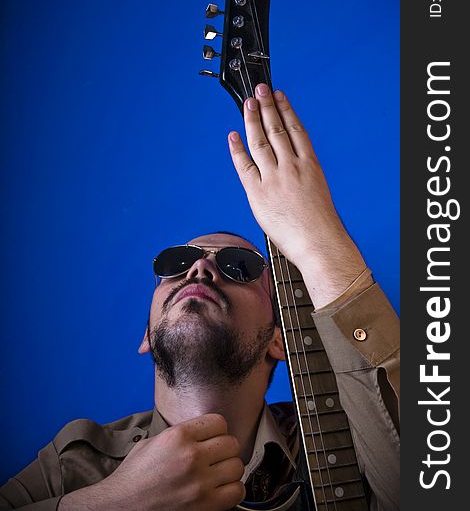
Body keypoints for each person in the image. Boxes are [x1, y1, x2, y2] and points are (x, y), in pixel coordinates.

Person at [0, 84, 400, 510]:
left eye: (238, 267)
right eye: (177, 262)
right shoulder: (73, 468)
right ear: (147, 335)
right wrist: (115, 502)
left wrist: (319, 237)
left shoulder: (346, 447)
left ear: (279, 338)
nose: (200, 268)